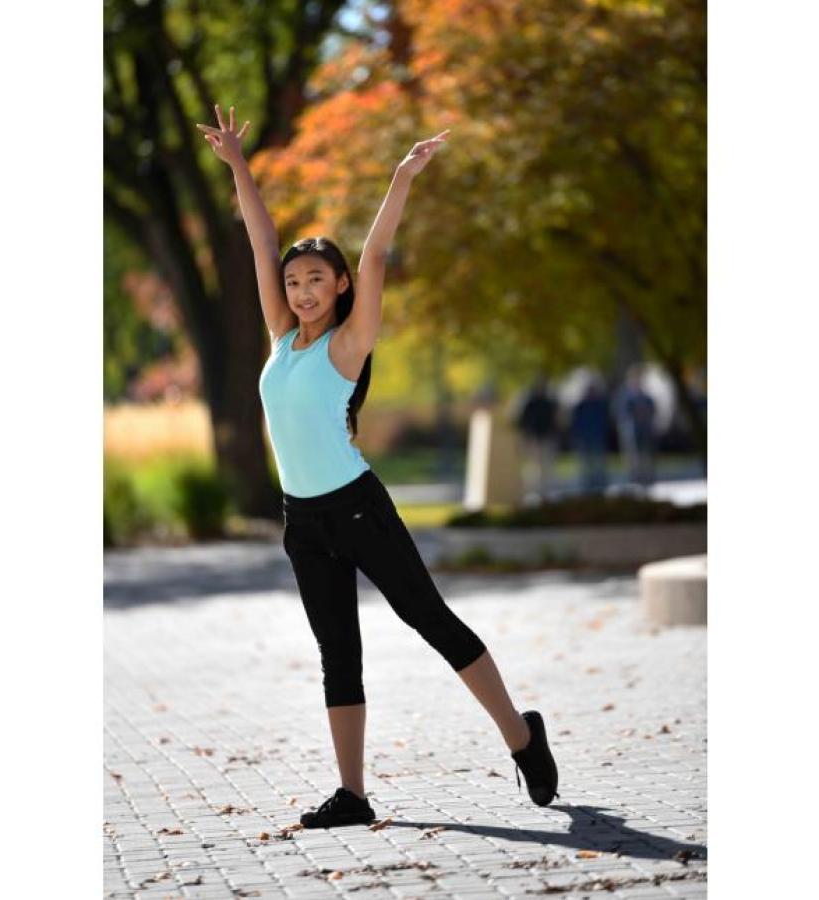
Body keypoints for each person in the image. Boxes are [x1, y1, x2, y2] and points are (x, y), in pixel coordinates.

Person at [199, 105, 559, 827]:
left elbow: (376, 255)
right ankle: (353, 795)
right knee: (338, 653)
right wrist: (239, 164)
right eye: (293, 281)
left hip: (358, 508)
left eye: (316, 279)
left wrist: (402, 178)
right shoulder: (282, 339)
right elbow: (260, 239)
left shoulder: (348, 344)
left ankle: (522, 737)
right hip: (303, 522)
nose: (301, 291)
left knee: (430, 619)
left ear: (339, 286)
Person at [513, 376, 559, 503]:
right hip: (533, 439)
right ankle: (532, 493)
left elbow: (555, 421)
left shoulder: (550, 402)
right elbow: (522, 422)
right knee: (533, 468)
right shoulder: (530, 403)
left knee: (547, 468)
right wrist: (525, 438)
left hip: (547, 438)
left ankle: (546, 493)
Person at [614, 365, 657, 488]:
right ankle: (634, 478)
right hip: (631, 430)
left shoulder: (646, 395)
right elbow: (621, 413)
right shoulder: (624, 395)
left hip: (645, 429)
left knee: (646, 454)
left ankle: (647, 477)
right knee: (633, 456)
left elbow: (652, 409)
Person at [569, 378, 609, 494]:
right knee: (585, 463)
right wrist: (577, 436)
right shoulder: (580, 406)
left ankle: (599, 484)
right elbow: (575, 423)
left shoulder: (600, 405)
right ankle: (586, 485)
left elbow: (605, 421)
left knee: (598, 462)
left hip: (597, 437)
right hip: (584, 438)